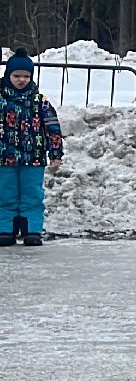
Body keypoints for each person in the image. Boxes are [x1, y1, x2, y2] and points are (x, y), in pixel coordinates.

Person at [0, 53, 62, 246]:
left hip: (33, 158)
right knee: (5, 194)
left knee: (32, 194)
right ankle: (5, 229)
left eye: (26, 76)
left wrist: (55, 153)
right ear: (8, 75)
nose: (21, 80)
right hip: (4, 157)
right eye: (17, 76)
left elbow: (52, 127)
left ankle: (31, 230)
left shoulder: (40, 101)